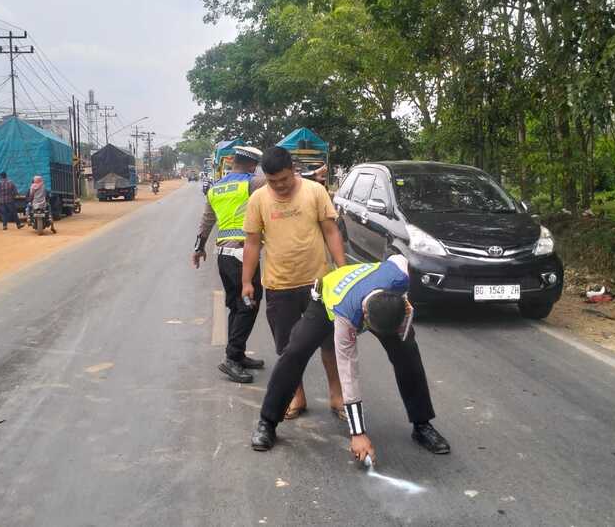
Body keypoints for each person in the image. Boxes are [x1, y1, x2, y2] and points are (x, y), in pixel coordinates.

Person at [251, 255, 450, 460]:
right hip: (328, 300)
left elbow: (398, 258)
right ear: (365, 316)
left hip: (377, 297)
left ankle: (422, 424)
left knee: (407, 351)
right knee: (295, 351)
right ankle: (267, 422)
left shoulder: (399, 277)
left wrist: (404, 305)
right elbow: (348, 373)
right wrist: (358, 433)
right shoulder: (347, 315)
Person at [241, 146, 345, 420]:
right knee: (289, 350)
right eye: (273, 181)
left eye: (284, 179)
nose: (280, 186)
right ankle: (297, 397)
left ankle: (337, 396)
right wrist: (246, 282)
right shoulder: (259, 199)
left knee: (330, 346)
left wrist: (343, 271)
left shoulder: (314, 191)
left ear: (293, 170)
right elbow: (252, 243)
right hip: (279, 285)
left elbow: (331, 231)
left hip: (319, 285)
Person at [193, 146, 266, 383]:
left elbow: (207, 220)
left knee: (237, 305)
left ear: (232, 163)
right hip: (243, 255)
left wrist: (199, 247)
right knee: (249, 304)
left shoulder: (216, 188)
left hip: (223, 256)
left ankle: (239, 353)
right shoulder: (252, 184)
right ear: (252, 165)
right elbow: (278, 180)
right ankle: (232, 358)